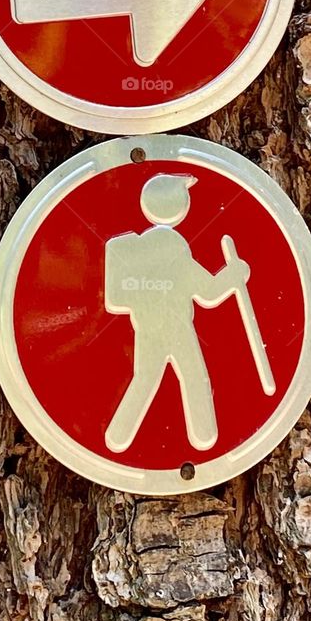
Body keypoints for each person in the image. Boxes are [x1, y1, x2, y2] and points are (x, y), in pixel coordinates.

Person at [103, 173, 253, 452]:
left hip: (146, 327)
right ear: (178, 204)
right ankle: (205, 435)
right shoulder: (172, 245)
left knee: (145, 379)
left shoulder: (133, 249)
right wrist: (233, 275)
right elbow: (208, 290)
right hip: (178, 327)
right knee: (195, 377)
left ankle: (118, 436)